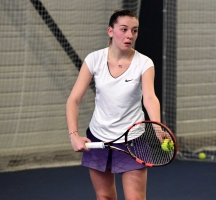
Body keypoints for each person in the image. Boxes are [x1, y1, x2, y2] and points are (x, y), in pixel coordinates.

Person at [66, 9, 160, 200]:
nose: (129, 35)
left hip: (133, 140)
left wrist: (157, 127)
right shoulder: (94, 59)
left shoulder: (144, 63)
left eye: (134, 31)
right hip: (99, 137)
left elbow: (149, 97)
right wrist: (74, 135)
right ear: (110, 31)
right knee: (104, 197)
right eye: (124, 29)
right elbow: (73, 100)